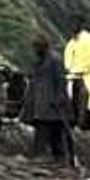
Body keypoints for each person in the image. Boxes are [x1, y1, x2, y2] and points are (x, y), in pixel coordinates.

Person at [21, 35, 75, 165]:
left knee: (48, 130)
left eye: (36, 47)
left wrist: (59, 98)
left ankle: (47, 155)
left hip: (51, 103)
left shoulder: (55, 59)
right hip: (41, 102)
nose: (34, 50)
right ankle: (54, 157)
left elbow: (61, 80)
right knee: (51, 130)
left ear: (43, 46)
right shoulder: (40, 60)